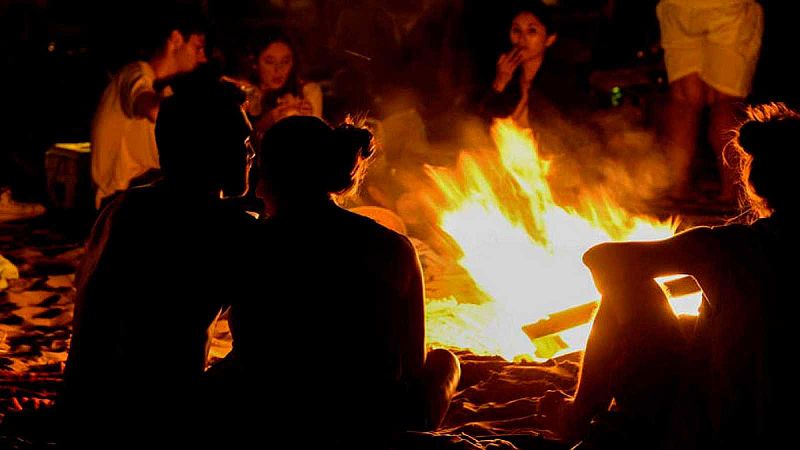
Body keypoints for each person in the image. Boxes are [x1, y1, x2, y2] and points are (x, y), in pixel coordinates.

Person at [556, 103, 796, 449]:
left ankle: (577, 416)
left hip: (719, 429)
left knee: (628, 286)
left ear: (755, 184)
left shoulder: (726, 248)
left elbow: (603, 259)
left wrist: (694, 276)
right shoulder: (736, 250)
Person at [222, 116, 460, 449]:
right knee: (444, 362)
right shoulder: (394, 248)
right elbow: (412, 367)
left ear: (269, 178)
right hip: (368, 421)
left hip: (269, 412)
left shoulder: (250, 243)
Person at [59, 69, 256, 448]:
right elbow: (267, 347)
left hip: (85, 414)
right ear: (208, 147)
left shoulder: (126, 207)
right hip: (153, 423)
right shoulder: (226, 228)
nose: (250, 152)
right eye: (241, 140)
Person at [90, 8, 208, 209]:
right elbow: (153, 110)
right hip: (120, 204)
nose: (202, 58)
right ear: (176, 39)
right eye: (198, 48)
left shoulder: (166, 91)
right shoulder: (134, 74)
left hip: (143, 198)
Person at [657, 0, 764, 204]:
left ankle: (678, 190)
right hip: (728, 6)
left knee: (683, 99)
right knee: (726, 100)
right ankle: (732, 195)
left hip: (678, 6)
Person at [240, 29, 323, 141]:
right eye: (269, 62)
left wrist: (307, 121)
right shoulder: (244, 92)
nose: (278, 70)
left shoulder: (307, 91)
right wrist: (266, 123)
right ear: (255, 63)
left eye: (285, 61)